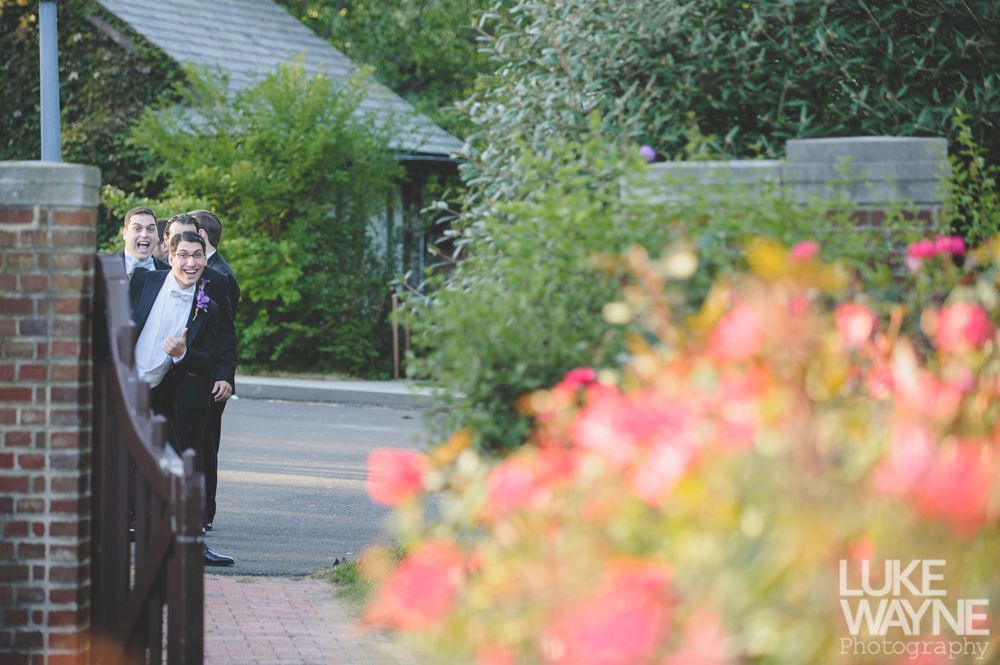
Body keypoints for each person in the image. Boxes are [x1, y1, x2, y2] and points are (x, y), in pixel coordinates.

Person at [129, 230, 236, 567]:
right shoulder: (143, 282)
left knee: (180, 467)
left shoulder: (208, 306)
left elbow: (207, 361)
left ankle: (190, 543)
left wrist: (182, 353)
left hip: (160, 396)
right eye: (184, 255)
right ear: (170, 255)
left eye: (198, 256)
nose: (191, 263)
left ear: (206, 258)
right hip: (123, 388)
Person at [189, 210, 240, 531]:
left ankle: (205, 511)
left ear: (203, 237)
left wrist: (226, 377)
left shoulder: (222, 275)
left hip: (211, 375)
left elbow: (227, 331)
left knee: (207, 445)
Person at [113, 207, 168, 277]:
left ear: (157, 235)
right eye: (137, 229)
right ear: (125, 234)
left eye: (150, 229)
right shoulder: (104, 267)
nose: (144, 235)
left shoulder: (169, 273)